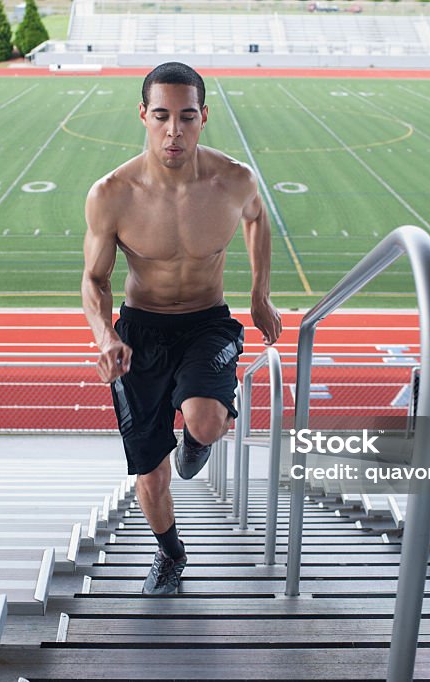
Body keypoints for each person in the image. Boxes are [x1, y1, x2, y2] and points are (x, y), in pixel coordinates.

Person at [81, 62, 282, 595]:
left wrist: (259, 295)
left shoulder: (233, 180)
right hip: (140, 333)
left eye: (187, 117)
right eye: (163, 116)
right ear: (143, 115)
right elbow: (94, 280)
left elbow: (258, 220)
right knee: (151, 476)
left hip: (207, 323)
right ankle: (171, 555)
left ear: (203, 117)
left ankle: (196, 437)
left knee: (207, 422)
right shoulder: (112, 194)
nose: (175, 131)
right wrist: (107, 337)